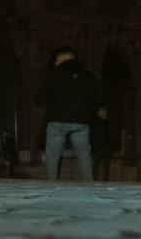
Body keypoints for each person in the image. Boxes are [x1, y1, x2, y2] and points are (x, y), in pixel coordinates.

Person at [40, 47, 104, 181]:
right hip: (81, 121)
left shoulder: (54, 75)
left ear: (64, 58)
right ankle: (89, 184)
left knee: (52, 157)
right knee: (84, 157)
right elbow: (98, 97)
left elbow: (39, 97)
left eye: (57, 60)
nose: (55, 63)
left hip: (57, 120)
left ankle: (51, 185)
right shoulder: (87, 76)